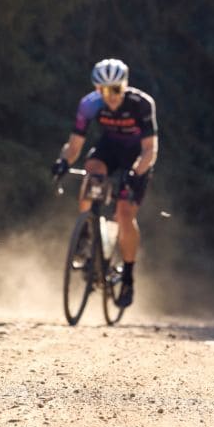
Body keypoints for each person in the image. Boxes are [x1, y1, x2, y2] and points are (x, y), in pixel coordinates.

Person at [52, 58, 158, 308]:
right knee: (92, 172)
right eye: (104, 90)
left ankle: (129, 277)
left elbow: (150, 149)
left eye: (116, 89)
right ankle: (87, 232)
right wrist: (63, 161)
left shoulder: (141, 104)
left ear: (125, 85)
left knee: (124, 213)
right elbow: (75, 144)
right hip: (109, 149)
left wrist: (134, 173)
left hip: (137, 157)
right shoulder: (89, 105)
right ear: (97, 90)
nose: (110, 96)